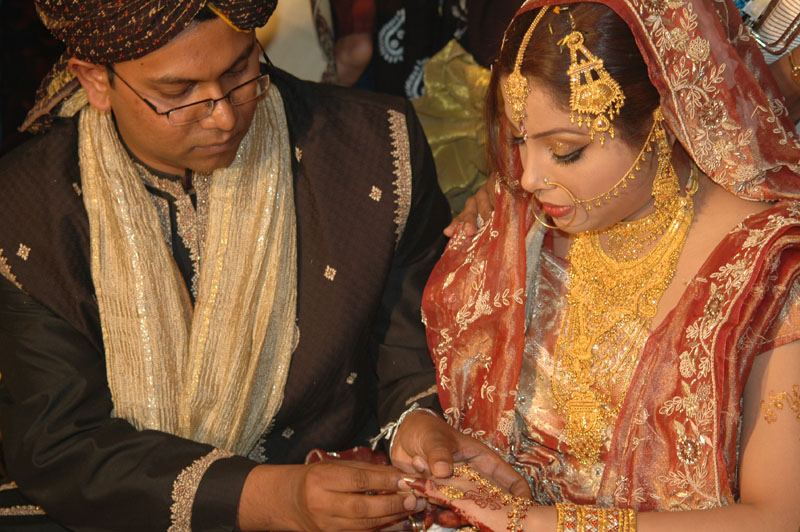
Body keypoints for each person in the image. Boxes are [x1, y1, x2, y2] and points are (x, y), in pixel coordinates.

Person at [0, 1, 527, 530]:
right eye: (178, 93)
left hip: (334, 484)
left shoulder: (374, 150)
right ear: (95, 80)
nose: (224, 116)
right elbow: (60, 441)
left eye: (240, 71)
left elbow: (407, 349)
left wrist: (416, 422)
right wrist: (274, 499)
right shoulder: (28, 209)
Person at [416, 1, 800, 531]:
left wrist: (532, 523)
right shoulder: (523, 228)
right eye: (519, 142)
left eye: (565, 151)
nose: (527, 177)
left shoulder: (769, 267)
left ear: (663, 122)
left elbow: (780, 517)